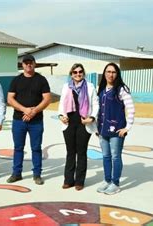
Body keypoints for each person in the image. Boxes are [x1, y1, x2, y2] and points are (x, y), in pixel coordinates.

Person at [6, 55, 51, 185]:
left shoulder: (41, 80)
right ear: (22, 65)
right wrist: (24, 110)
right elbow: (10, 99)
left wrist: (34, 111)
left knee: (36, 148)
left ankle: (37, 174)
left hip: (36, 122)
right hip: (19, 121)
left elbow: (47, 99)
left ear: (34, 64)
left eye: (30, 62)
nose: (28, 65)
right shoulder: (16, 80)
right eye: (25, 63)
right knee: (18, 147)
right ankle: (16, 173)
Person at [58, 63, 99, 191]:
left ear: (83, 73)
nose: (78, 74)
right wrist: (61, 116)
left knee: (81, 153)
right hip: (69, 123)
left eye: (80, 72)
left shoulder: (90, 87)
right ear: (71, 74)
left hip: (84, 123)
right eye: (75, 72)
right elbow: (61, 103)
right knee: (70, 152)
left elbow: (95, 104)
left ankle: (79, 181)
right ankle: (68, 180)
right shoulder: (66, 87)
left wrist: (91, 118)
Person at [96, 62, 135, 195]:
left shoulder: (121, 89)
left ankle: (115, 183)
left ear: (117, 74)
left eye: (113, 72)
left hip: (116, 130)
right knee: (106, 156)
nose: (110, 74)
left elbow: (130, 108)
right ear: (104, 73)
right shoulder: (101, 89)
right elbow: (97, 109)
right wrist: (96, 127)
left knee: (115, 156)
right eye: (108, 71)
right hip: (102, 130)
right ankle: (107, 180)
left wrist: (127, 127)